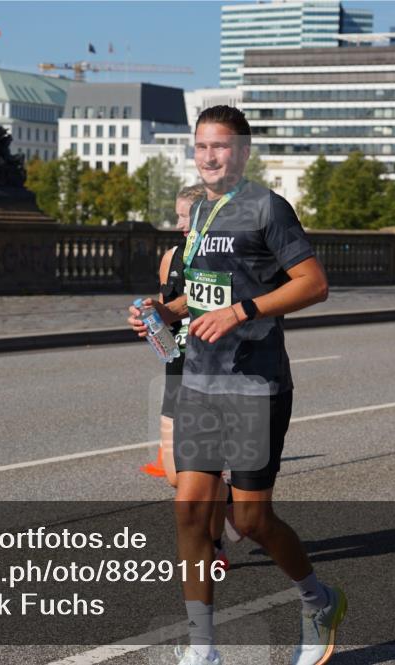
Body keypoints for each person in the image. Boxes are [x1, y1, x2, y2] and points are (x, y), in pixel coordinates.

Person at [168, 106, 343, 665]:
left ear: (242, 152)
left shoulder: (267, 207)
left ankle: (318, 600)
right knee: (191, 511)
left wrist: (243, 312)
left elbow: (314, 285)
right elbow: (203, 294)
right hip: (200, 380)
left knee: (249, 520)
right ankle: (202, 651)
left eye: (220, 147)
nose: (210, 157)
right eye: (201, 147)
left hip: (254, 384)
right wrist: (161, 308)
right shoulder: (199, 212)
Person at [135, 184, 233, 570]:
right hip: (176, 372)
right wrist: (151, 322)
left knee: (198, 478)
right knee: (177, 478)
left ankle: (214, 543)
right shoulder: (170, 258)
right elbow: (166, 312)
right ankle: (224, 498)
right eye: (176, 216)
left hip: (210, 376)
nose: (177, 225)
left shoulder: (220, 262)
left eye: (184, 217)